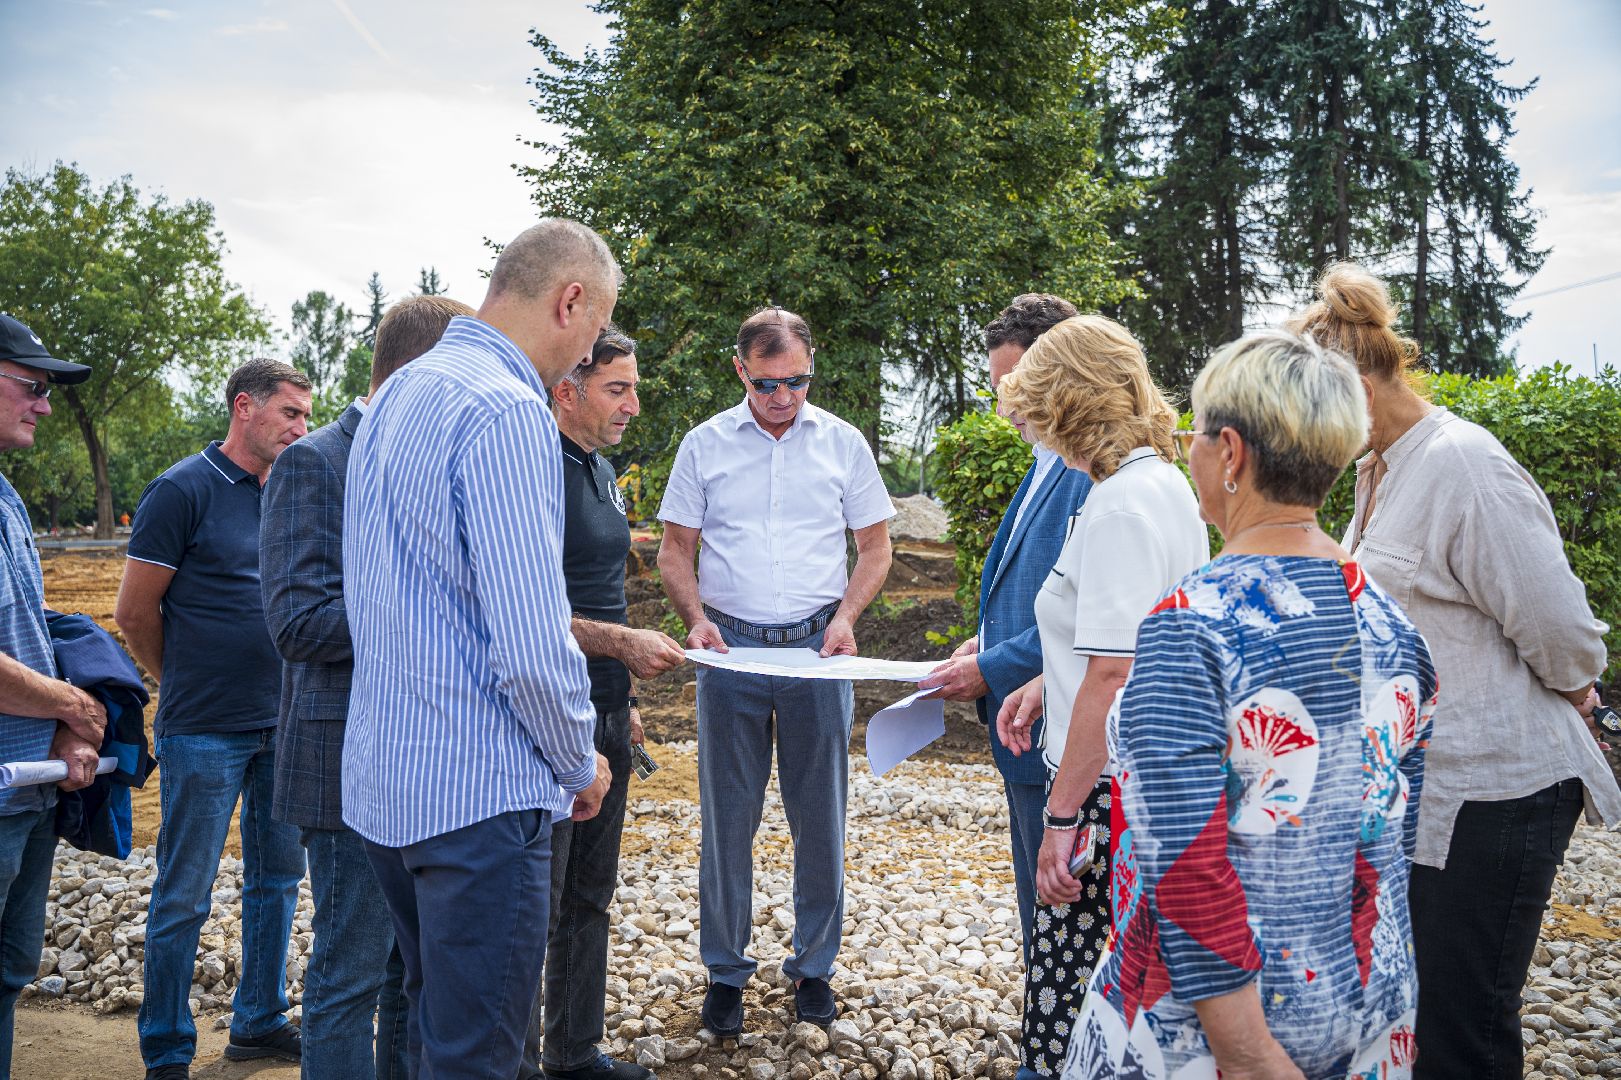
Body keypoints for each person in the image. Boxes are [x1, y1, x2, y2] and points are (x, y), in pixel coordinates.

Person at [1069, 329, 1437, 1078]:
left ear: (1230, 452)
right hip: (1368, 1005)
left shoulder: (1190, 623)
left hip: (1213, 1032)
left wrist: (1246, 1054)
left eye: (1195, 436)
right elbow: (1391, 835)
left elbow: (1181, 859)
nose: (1191, 453)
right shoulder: (1393, 624)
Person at [1305, 263, 1621, 1079]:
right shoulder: (1377, 471)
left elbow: (1564, 636)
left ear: (1358, 391)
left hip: (1496, 798)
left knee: (1462, 1026)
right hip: (1429, 793)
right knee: (1417, 1015)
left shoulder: (1464, 466)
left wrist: (1577, 684)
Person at [342, 218, 616, 1080]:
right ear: (569, 300)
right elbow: (530, 638)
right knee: (479, 1057)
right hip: (476, 792)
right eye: (595, 327)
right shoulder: (504, 408)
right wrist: (579, 759)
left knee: (432, 1033)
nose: (585, 357)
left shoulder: (399, 392)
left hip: (389, 780)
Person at [656, 306, 894, 1036]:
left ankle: (813, 969)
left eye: (796, 381)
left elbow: (876, 548)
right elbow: (673, 549)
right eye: (767, 384)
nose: (783, 396)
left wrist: (846, 618)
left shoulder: (843, 444)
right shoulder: (704, 445)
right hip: (728, 652)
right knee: (729, 821)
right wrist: (696, 619)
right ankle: (725, 973)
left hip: (815, 654)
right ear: (740, 371)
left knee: (819, 817)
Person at [261, 294, 474, 1080]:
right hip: (342, 757)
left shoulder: (416, 457)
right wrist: (429, 597)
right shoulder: (315, 461)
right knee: (349, 977)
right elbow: (297, 624)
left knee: (404, 975)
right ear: (417, 373)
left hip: (417, 757)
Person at [992, 316, 1208, 1078]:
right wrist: (1042, 683)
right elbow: (1128, 644)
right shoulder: (1158, 482)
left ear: (1068, 403)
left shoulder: (1118, 504)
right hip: (1133, 778)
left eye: (1035, 405)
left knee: (1074, 1012)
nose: (1027, 425)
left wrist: (1060, 817)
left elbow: (1111, 675)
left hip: (1104, 796)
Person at [117, 358, 314, 1079]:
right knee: (184, 892)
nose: (302, 427)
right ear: (244, 408)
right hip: (202, 729)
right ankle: (167, 1051)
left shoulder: (292, 492)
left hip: (284, 724)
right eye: (290, 413)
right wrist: (183, 683)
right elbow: (134, 614)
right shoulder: (182, 489)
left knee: (278, 882)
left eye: (305, 414)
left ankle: (258, 1022)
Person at [517, 326, 687, 1080]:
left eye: (633, 387)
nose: (633, 404)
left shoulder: (600, 469)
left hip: (608, 712)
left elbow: (599, 587)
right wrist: (618, 645)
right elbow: (528, 611)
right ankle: (514, 1064)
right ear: (568, 389)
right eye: (617, 389)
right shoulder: (535, 469)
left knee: (590, 894)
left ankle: (573, 1052)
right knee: (534, 907)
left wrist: (622, 696)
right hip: (548, 716)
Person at [918, 294, 1094, 959]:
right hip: (1023, 723)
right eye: (998, 389)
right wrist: (983, 641)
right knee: (1034, 901)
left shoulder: (1083, 476)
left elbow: (1084, 616)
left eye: (1014, 387)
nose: (1005, 407)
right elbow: (1031, 594)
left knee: (1057, 909)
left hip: (1052, 724)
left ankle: (1051, 1052)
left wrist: (989, 667)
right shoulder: (1044, 463)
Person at [0, 313, 103, 1077]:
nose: (43, 403)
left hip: (26, 789)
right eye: (31, 385)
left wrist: (65, 731)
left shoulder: (6, 494)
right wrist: (68, 706)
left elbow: (30, 630)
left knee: (8, 975)